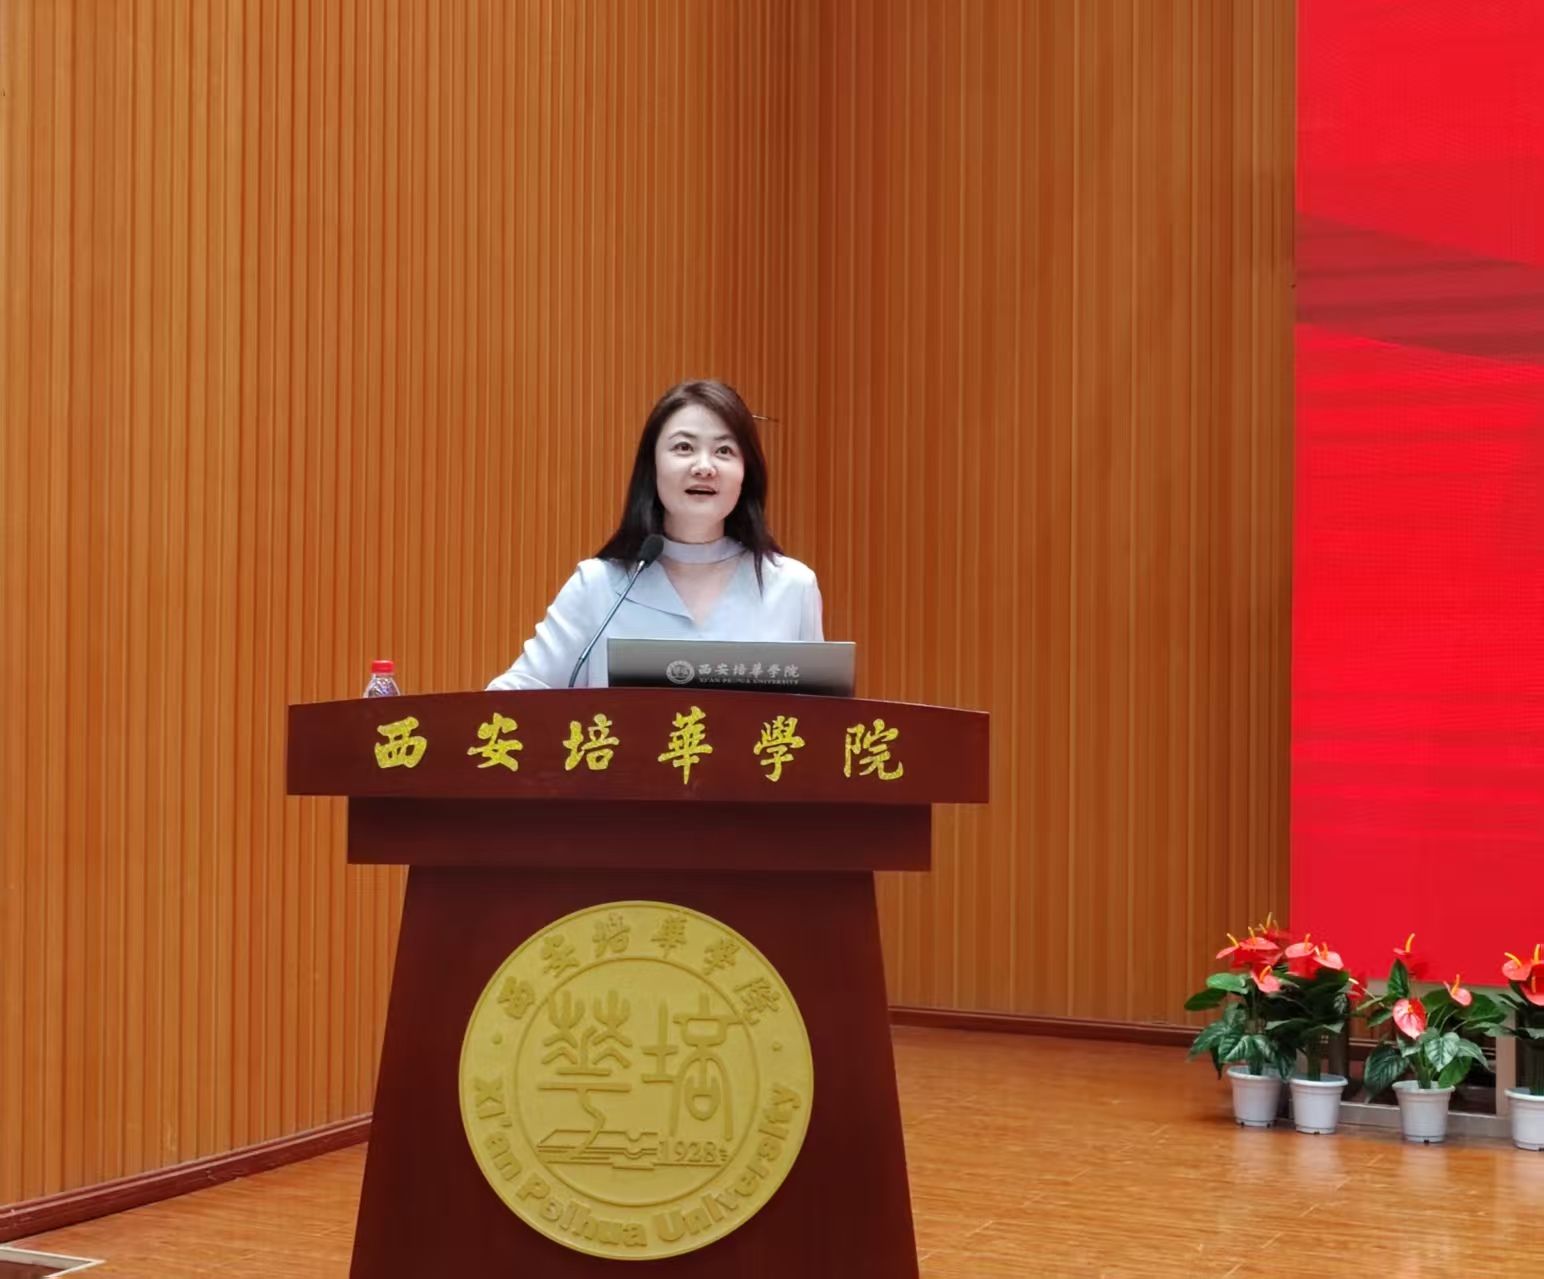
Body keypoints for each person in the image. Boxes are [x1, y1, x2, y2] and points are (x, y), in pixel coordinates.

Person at [486, 379, 823, 690]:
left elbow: (821, 720)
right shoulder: (599, 587)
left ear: (746, 473)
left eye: (724, 451)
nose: (704, 467)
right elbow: (513, 698)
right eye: (684, 447)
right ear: (653, 466)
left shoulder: (791, 587)